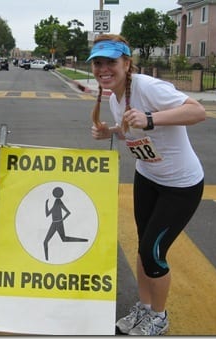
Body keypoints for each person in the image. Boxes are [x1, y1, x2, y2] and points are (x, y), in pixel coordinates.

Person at [87, 34, 205, 335]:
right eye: (97, 63)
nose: (103, 69)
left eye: (111, 62)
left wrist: (150, 118)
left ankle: (160, 315)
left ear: (127, 63)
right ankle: (145, 307)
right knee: (142, 248)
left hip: (181, 185)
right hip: (147, 177)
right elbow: (131, 129)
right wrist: (111, 131)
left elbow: (197, 111)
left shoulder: (149, 87)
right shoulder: (114, 96)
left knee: (153, 253)